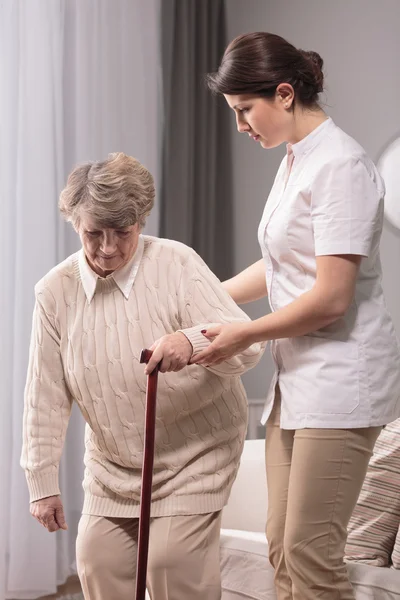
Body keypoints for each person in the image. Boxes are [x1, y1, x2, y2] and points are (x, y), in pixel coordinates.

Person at [187, 31, 400, 600]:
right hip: (297, 384)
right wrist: (205, 298)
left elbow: (331, 295)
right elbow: (281, 263)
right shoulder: (294, 160)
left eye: (244, 111)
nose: (240, 127)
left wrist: (242, 334)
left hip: (340, 386)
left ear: (284, 94)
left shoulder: (342, 166)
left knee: (310, 554)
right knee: (282, 547)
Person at [21, 152, 264, 600]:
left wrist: (192, 342)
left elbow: (249, 345)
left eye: (124, 233)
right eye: (95, 233)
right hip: (114, 464)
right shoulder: (55, 292)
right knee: (97, 562)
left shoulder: (176, 263)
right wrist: (42, 483)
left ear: (142, 221)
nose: (109, 247)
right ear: (75, 222)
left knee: (172, 565)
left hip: (195, 454)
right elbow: (45, 394)